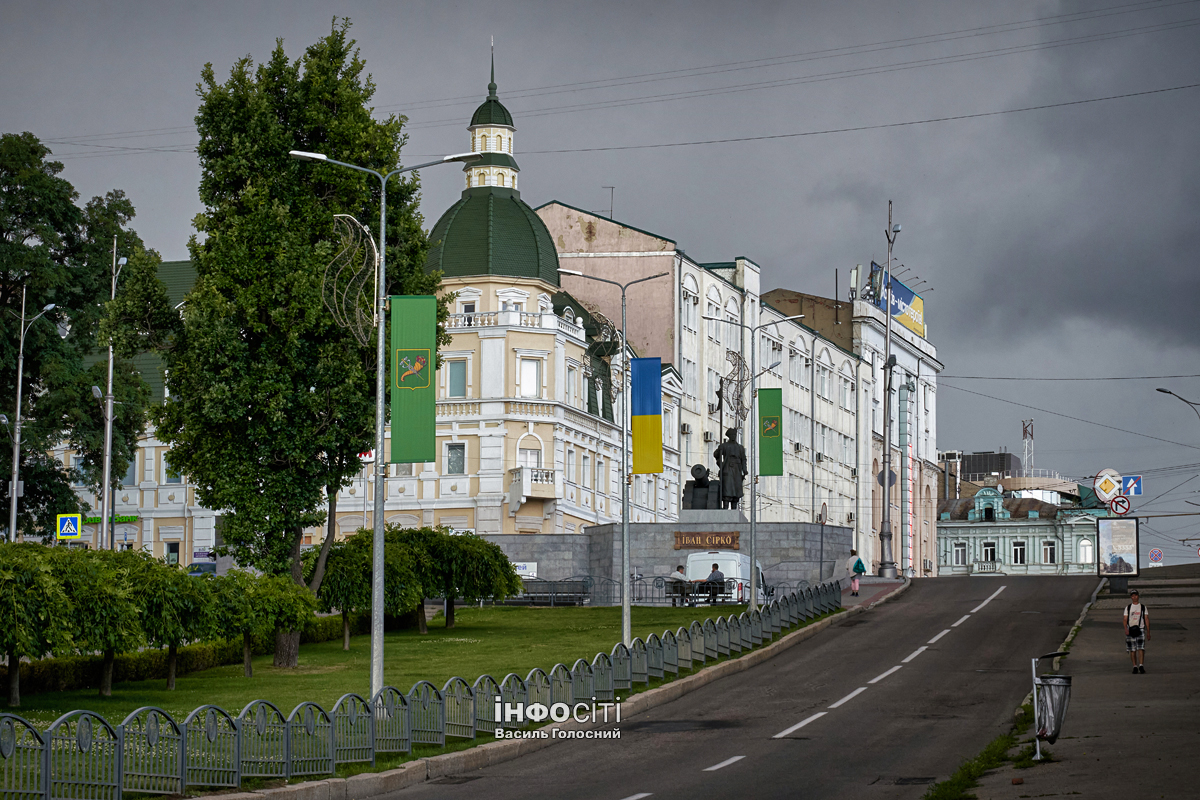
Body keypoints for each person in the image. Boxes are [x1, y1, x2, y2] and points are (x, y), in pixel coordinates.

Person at [1123, 589, 1149, 673]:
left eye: (1136, 595)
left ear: (1138, 596)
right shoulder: (1128, 607)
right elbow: (1125, 619)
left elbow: (1146, 619)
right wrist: (1126, 629)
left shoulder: (1143, 607)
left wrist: (1148, 631)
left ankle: (1141, 665)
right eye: (1133, 596)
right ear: (1131, 597)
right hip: (1131, 629)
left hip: (1140, 629)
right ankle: (1134, 666)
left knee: (1141, 648)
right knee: (1132, 649)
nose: (1135, 597)